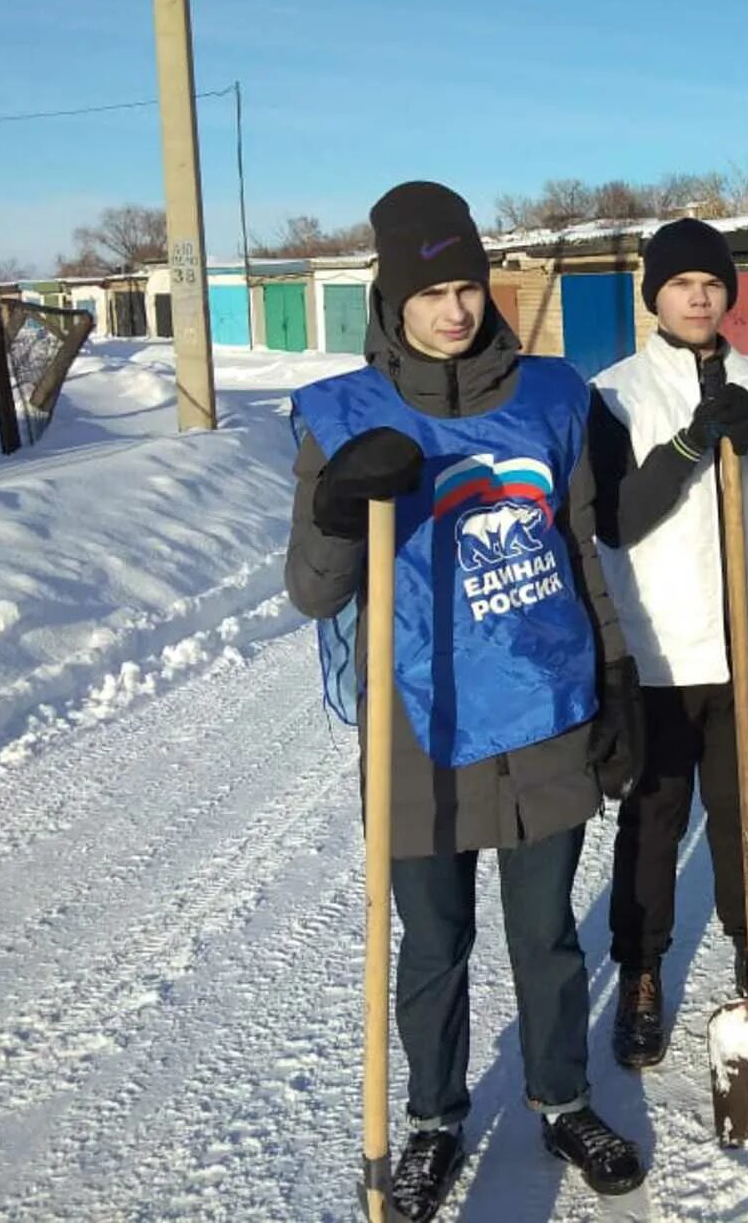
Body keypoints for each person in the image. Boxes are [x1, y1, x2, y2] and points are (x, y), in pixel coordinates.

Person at [285, 181, 647, 1219]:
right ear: (388, 298)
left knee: (547, 938)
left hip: (544, 707)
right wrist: (336, 504)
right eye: (429, 290)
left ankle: (562, 1096)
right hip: (420, 725)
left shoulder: (550, 396)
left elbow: (581, 551)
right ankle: (435, 1121)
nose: (454, 309)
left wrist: (616, 678)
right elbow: (312, 591)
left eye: (467, 286)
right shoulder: (342, 415)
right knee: (434, 945)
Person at [587, 217, 748, 1068]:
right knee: (653, 818)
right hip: (664, 647)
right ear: (653, 293)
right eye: (680, 283)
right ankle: (642, 970)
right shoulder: (616, 394)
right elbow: (616, 522)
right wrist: (691, 444)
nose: (698, 296)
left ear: (730, 293)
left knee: (744, 811)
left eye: (712, 283)